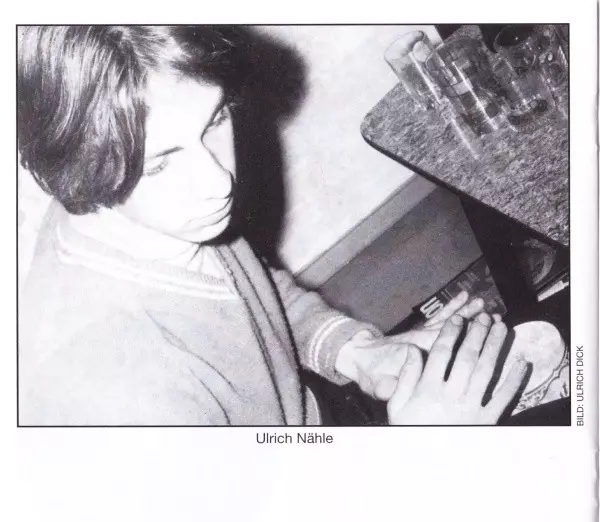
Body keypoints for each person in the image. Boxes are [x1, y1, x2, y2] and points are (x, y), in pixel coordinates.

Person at [17, 25, 526, 426]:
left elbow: (252, 292)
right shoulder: (113, 399)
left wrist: (357, 352)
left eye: (215, 120)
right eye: (160, 163)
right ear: (78, 167)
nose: (219, 181)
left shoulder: (147, 213)